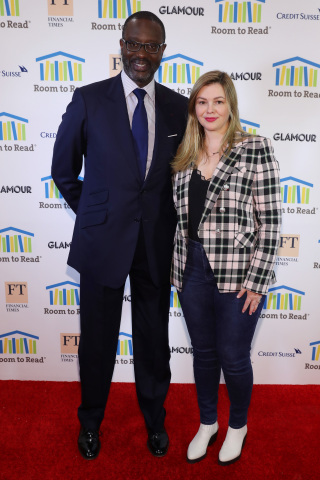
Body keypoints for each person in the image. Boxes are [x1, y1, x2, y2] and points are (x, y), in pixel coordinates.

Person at [51, 11, 188, 460]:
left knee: (153, 343)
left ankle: (155, 420)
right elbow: (63, 171)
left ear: (163, 51)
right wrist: (96, 217)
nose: (141, 54)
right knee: (97, 340)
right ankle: (90, 422)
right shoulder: (89, 99)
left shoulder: (176, 107)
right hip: (101, 246)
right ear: (121, 45)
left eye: (151, 46)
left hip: (155, 247)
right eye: (134, 43)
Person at [171, 71, 282, 465]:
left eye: (218, 101)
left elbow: (270, 221)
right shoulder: (184, 153)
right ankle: (207, 423)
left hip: (240, 272)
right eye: (202, 102)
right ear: (194, 109)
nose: (210, 109)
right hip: (191, 269)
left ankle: (237, 425)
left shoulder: (254, 148)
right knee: (203, 353)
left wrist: (257, 281)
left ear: (230, 105)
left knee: (233, 356)